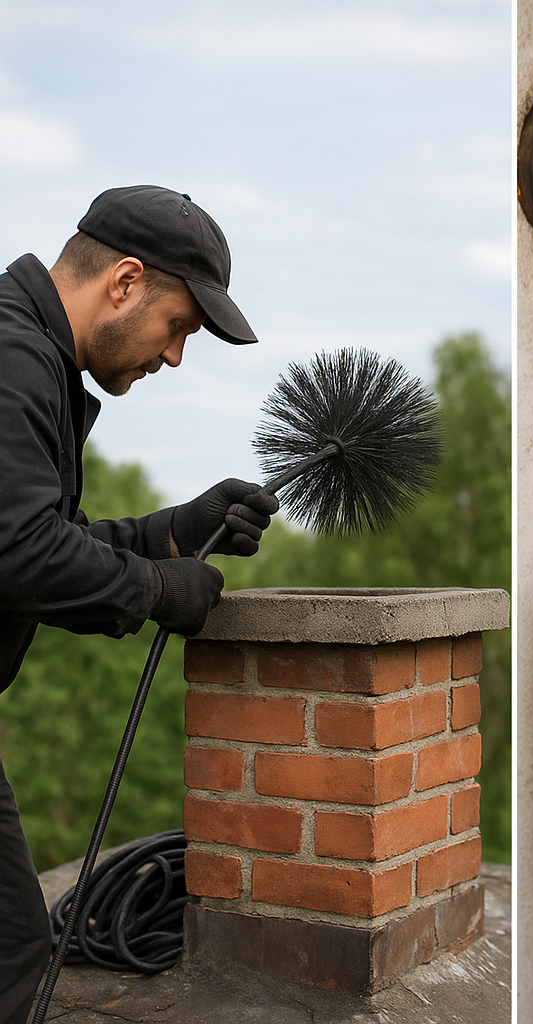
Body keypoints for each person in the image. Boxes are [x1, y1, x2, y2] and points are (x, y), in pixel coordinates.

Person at [0, 185, 279, 1024]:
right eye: (179, 326)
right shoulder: (13, 356)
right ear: (124, 282)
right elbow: (18, 552)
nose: (176, 356)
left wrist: (172, 534)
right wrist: (160, 591)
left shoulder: (28, 351)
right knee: (11, 955)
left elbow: (44, 534)